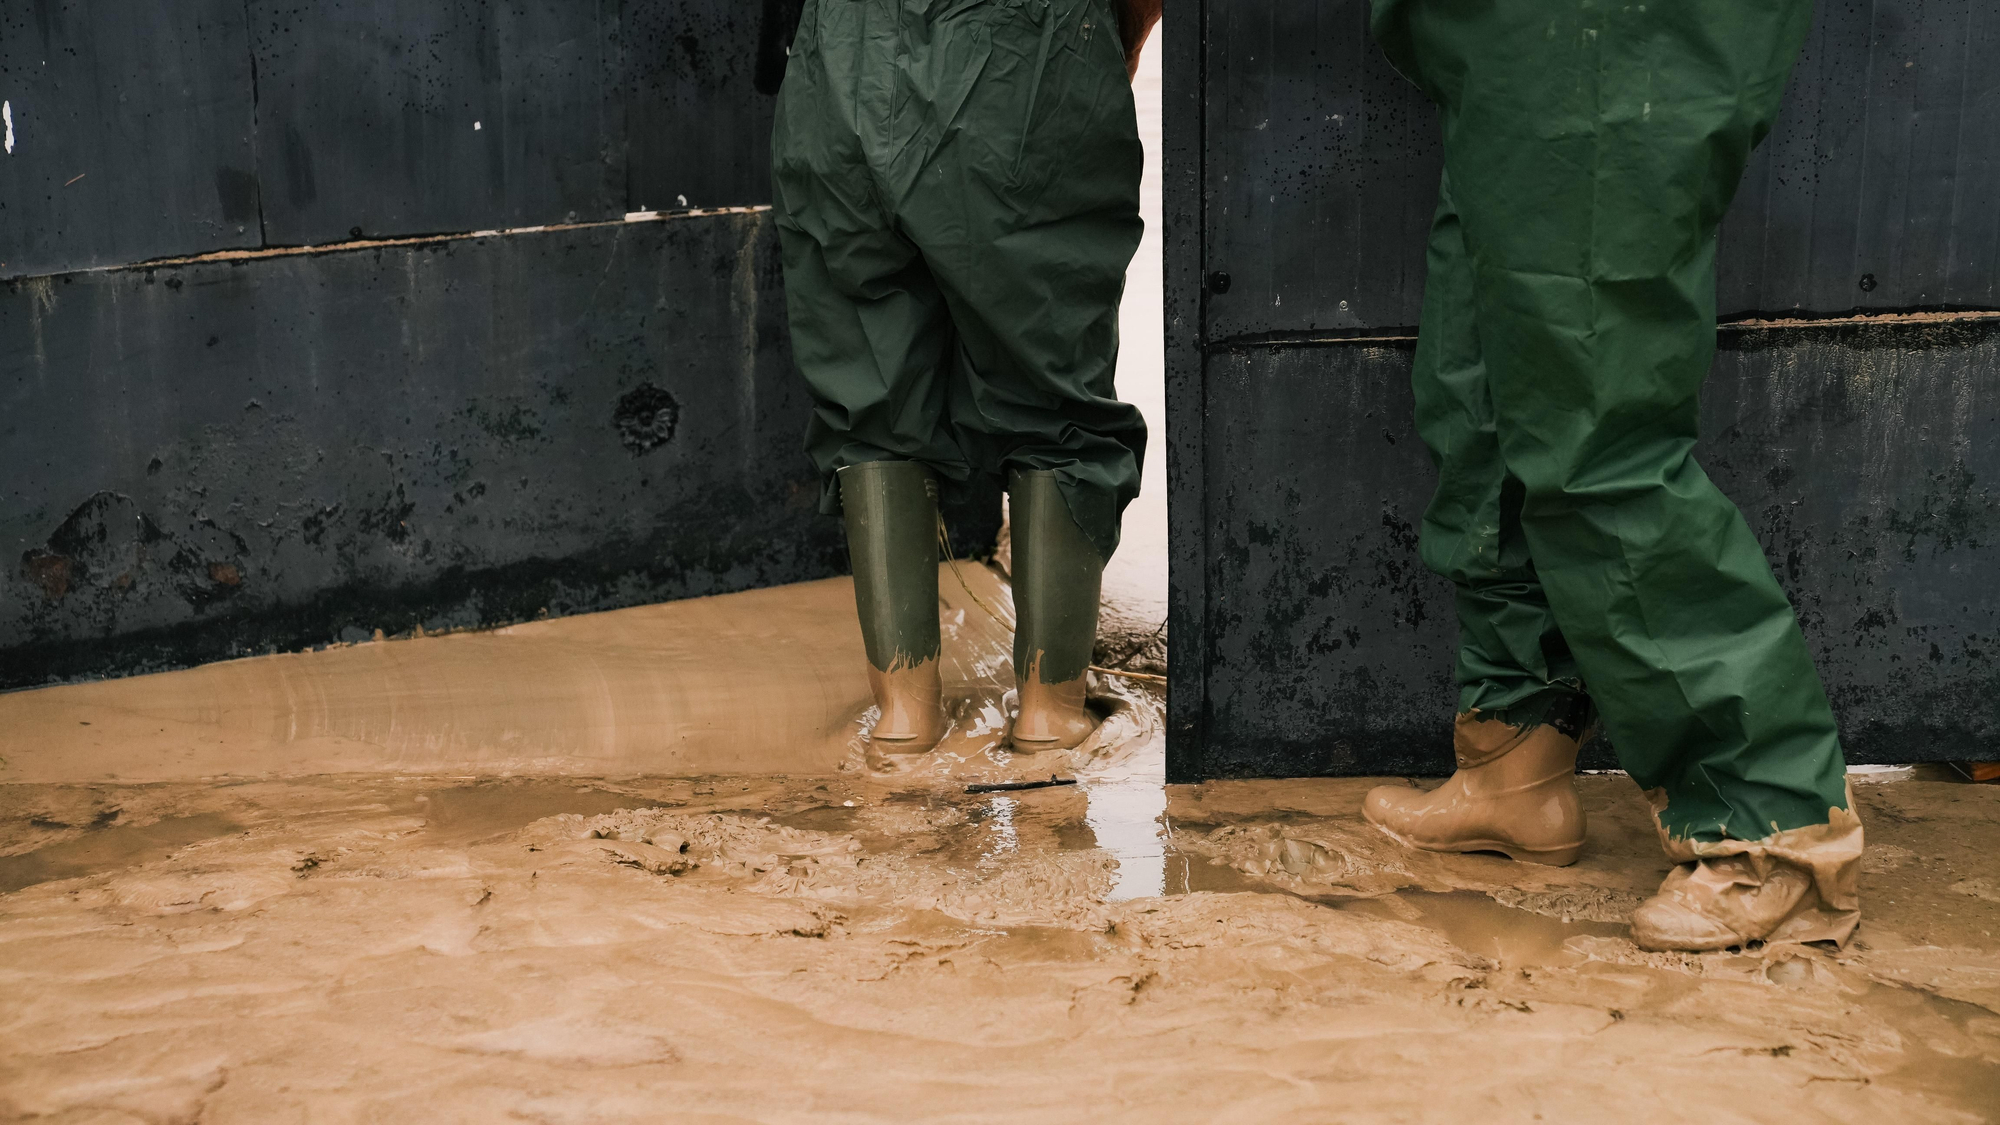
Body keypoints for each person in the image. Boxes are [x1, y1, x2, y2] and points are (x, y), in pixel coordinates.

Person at [1358, 0, 1864, 952]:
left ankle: (1775, 820)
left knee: (1592, 408)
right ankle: (1513, 755)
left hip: (1608, 22)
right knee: (1481, 387)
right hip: (1493, 35)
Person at [772, 0, 1162, 758]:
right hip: (1029, 54)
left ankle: (904, 716)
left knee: (869, 390)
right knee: (1054, 396)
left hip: (840, 60)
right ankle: (1052, 712)